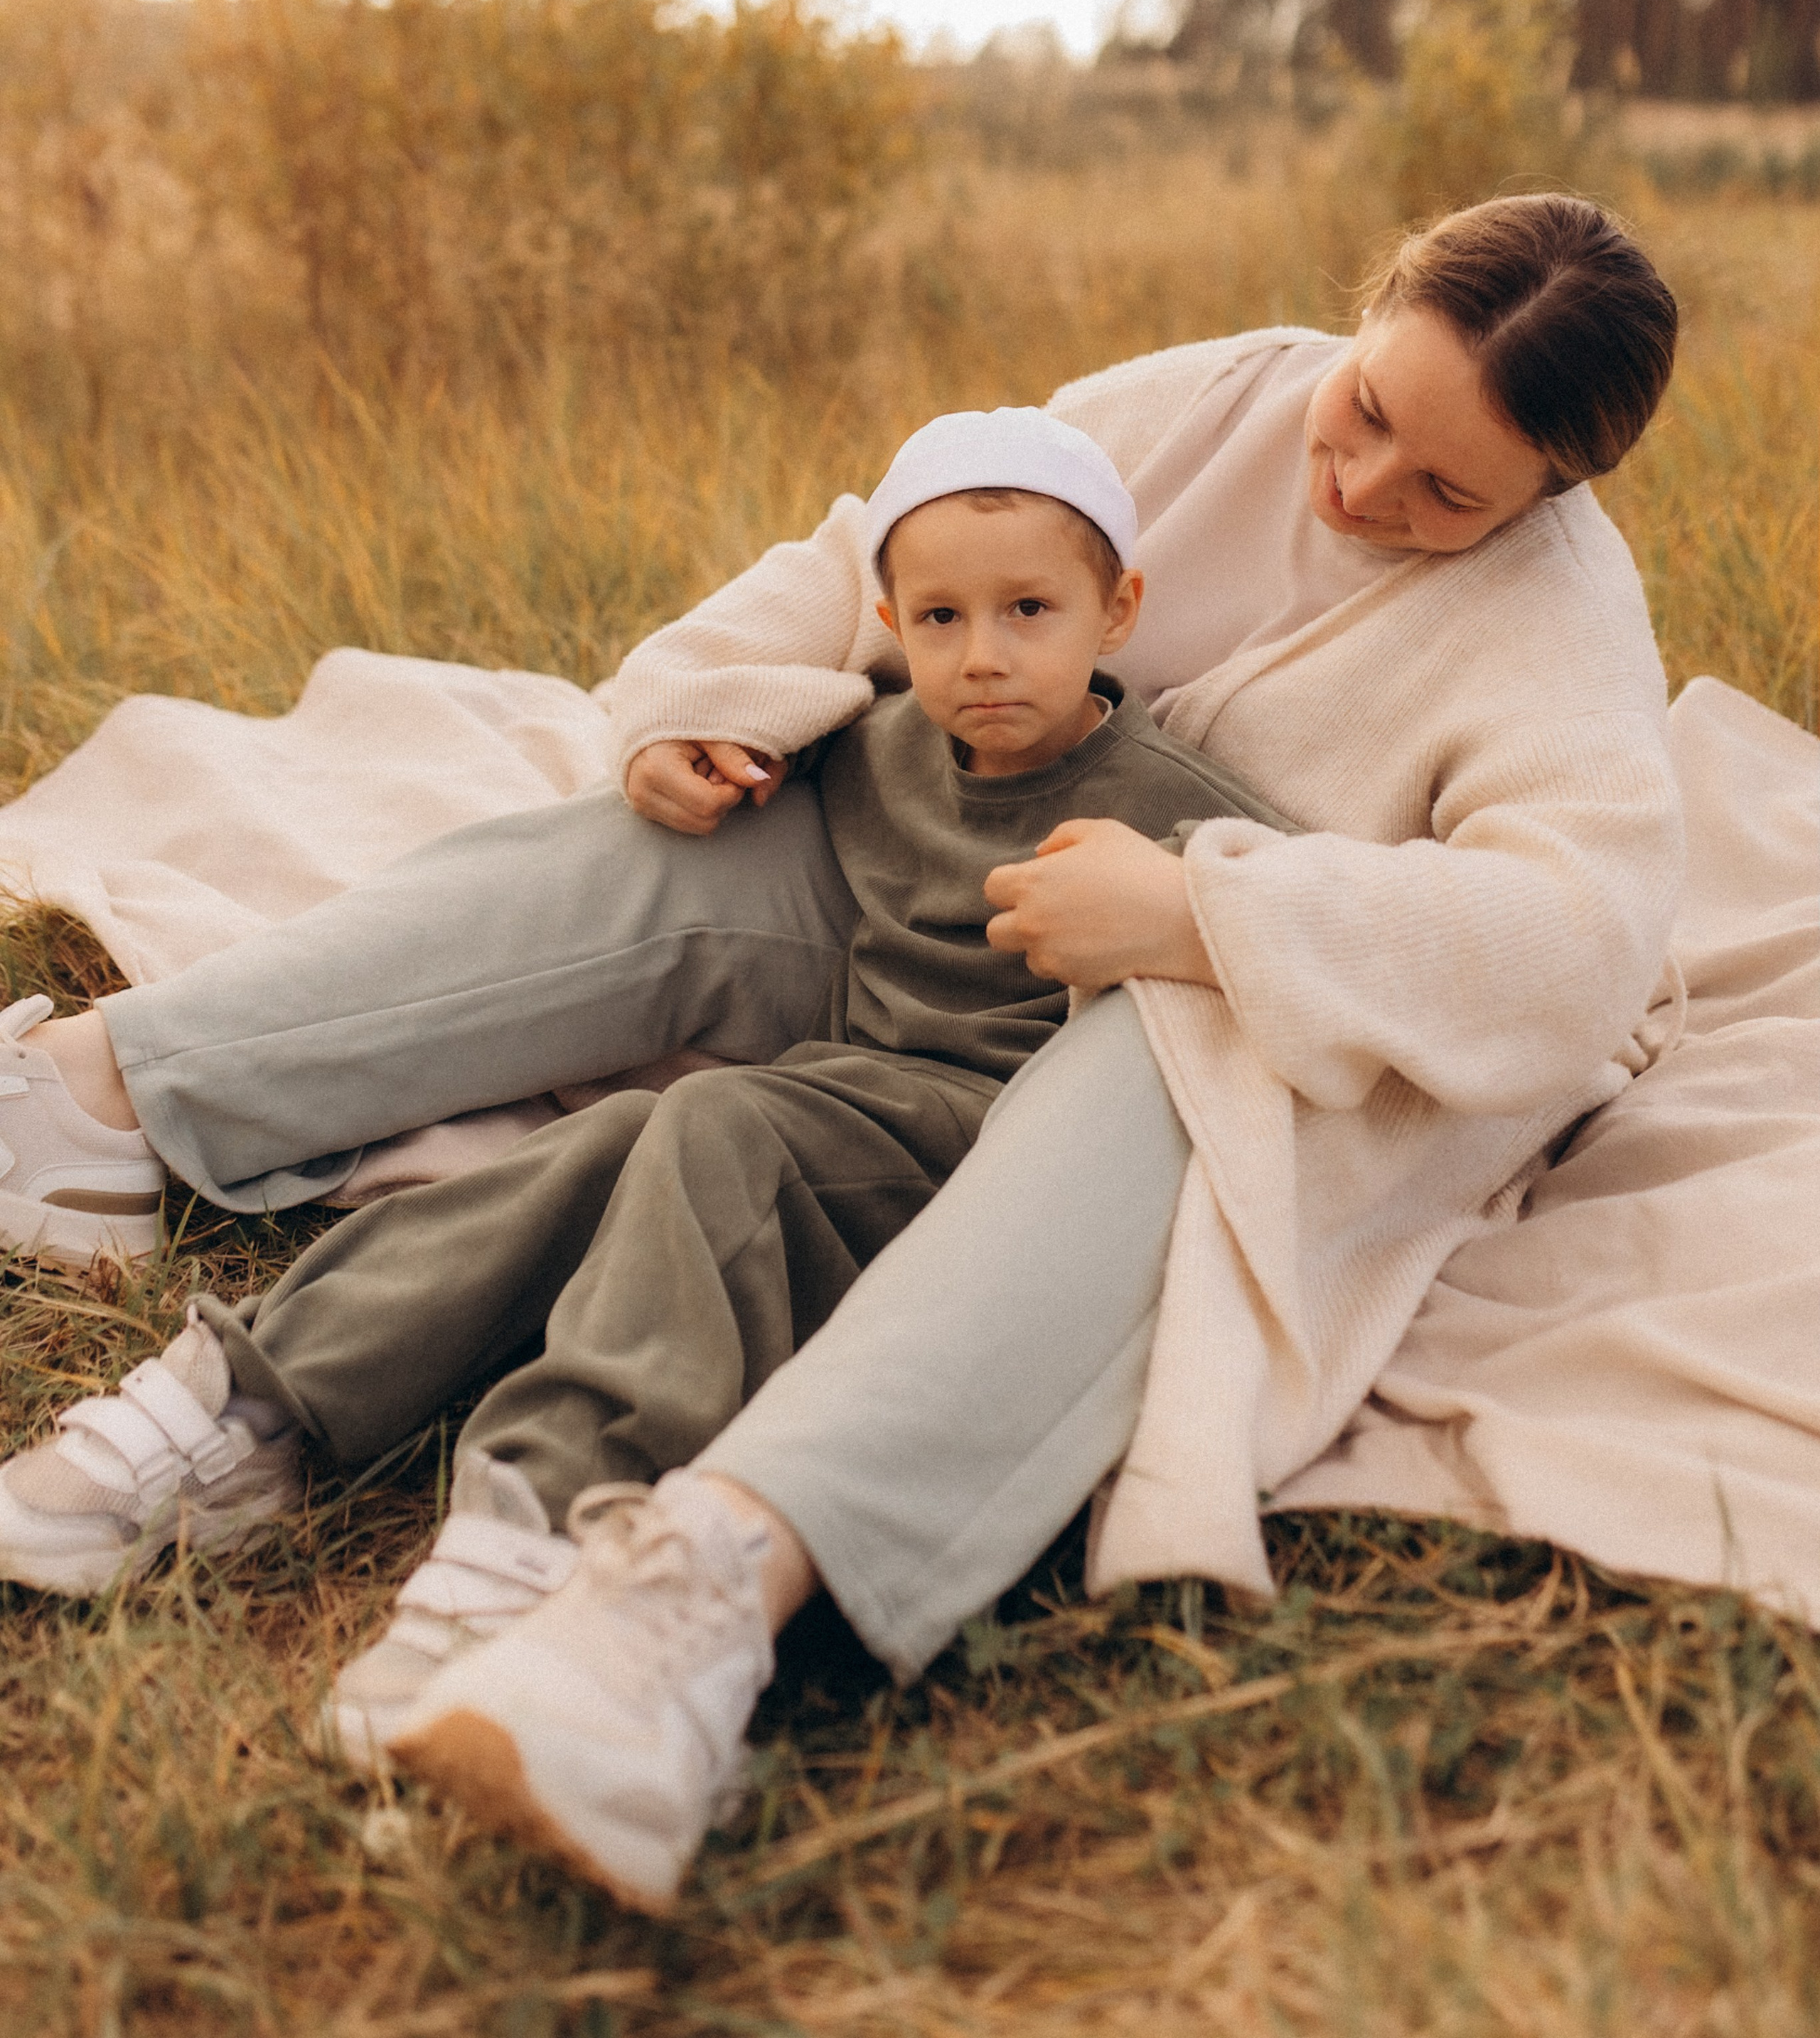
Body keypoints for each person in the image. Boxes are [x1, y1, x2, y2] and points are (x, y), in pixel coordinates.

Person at [0, 194, 1682, 1918]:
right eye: (1371, 414)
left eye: (1446, 494)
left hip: (1203, 1006)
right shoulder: (1211, 403)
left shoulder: (1552, 626)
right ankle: (95, 1101)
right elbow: (876, 550)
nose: (1363, 489)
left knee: (1159, 1070)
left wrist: (1202, 916)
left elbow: (1581, 943)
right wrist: (701, 707)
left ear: (1550, 495)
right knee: (691, 837)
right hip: (940, 888)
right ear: (1367, 309)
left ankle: (698, 1600)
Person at [0, 415, 1289, 1717]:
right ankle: (249, 1410)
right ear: (893, 620)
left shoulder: (1170, 802)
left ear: (1116, 611)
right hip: (835, 1107)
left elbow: (1305, 915)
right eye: (943, 619)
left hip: (986, 1160)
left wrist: (1198, 906)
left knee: (717, 1122)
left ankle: (538, 1519)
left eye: (1030, 610)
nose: (987, 656)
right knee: (613, 1142)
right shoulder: (885, 749)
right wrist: (681, 739)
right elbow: (733, 701)